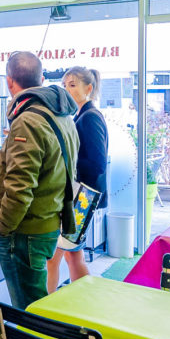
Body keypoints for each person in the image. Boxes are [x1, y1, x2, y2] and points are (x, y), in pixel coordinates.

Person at [0, 51, 79, 310]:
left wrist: (4, 228)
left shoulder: (27, 120)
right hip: (49, 221)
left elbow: (20, 189)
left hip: (25, 232)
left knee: (28, 310)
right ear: (40, 79)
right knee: (37, 303)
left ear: (9, 82)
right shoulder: (60, 114)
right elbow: (50, 166)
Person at [46, 67, 108, 292]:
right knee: (73, 257)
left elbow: (98, 164)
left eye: (72, 85)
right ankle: (82, 306)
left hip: (82, 198)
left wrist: (66, 162)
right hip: (80, 196)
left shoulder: (90, 117)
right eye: (65, 85)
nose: (67, 90)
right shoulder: (81, 115)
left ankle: (44, 315)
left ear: (88, 89)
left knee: (53, 259)